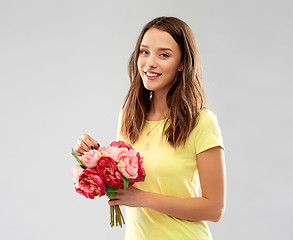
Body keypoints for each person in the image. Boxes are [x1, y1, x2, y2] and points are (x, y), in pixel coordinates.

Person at [74, 16, 226, 240]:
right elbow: (122, 186)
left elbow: (214, 209)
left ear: (183, 63)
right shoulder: (128, 117)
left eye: (164, 55)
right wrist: (92, 158)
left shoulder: (201, 122)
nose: (150, 63)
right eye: (144, 52)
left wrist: (142, 198)